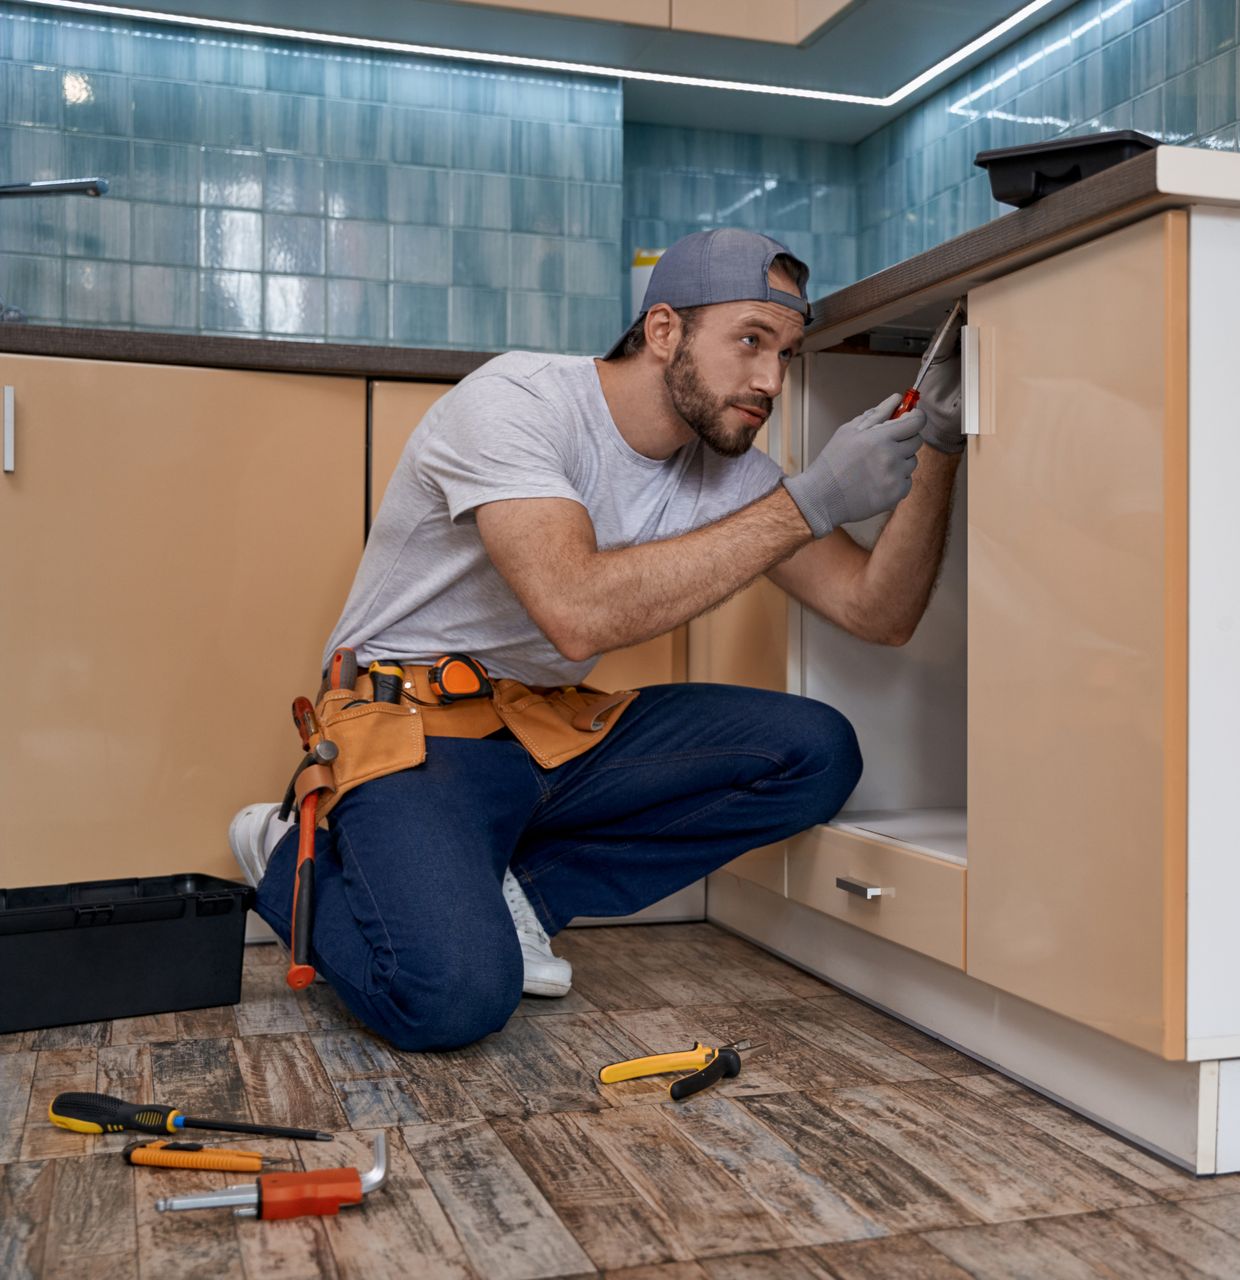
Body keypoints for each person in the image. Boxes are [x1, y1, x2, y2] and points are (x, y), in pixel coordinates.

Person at [225, 228, 965, 1051]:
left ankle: (523, 893)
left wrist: (937, 445)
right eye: (750, 341)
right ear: (663, 332)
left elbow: (878, 611)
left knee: (817, 750)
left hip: (547, 735)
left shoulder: (730, 472)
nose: (771, 381)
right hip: (414, 735)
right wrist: (809, 502)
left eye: (787, 353)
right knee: (454, 1000)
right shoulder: (518, 402)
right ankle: (287, 857)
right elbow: (573, 608)